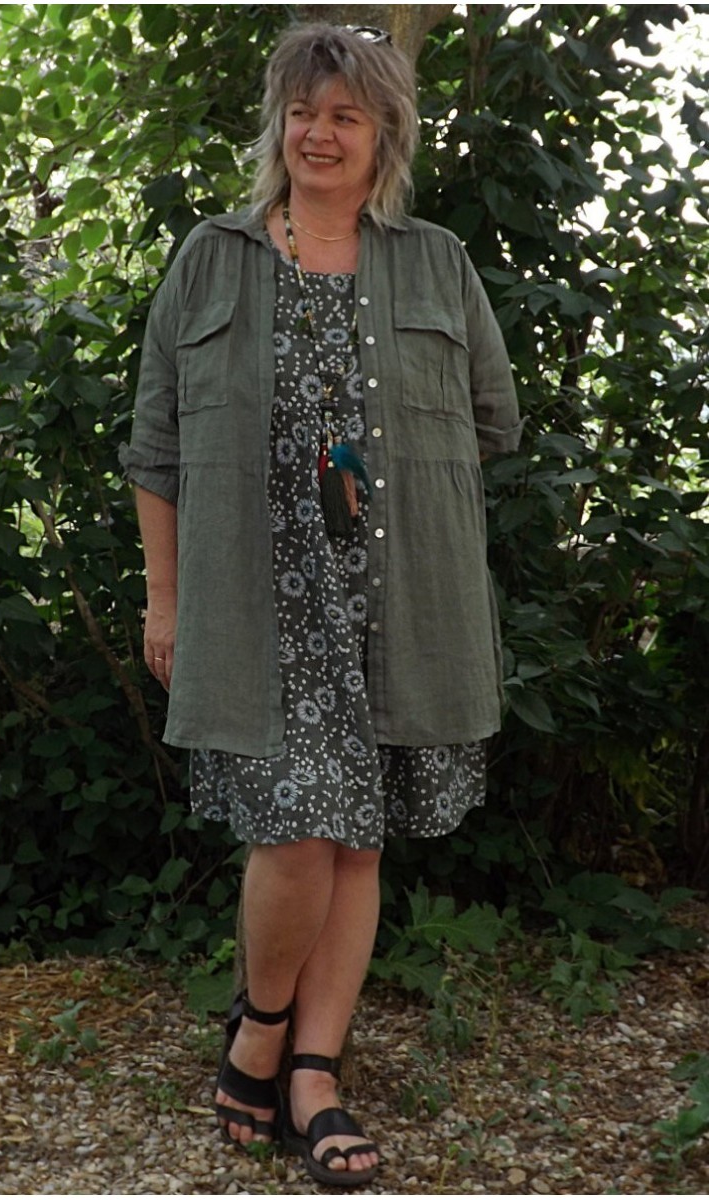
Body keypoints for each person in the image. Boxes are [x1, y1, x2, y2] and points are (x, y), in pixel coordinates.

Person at [121, 22, 521, 1189]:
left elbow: (487, 423)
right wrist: (164, 599)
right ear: (277, 125)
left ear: (383, 132)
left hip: (394, 603)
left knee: (356, 841)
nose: (319, 133)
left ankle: (312, 1070)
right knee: (295, 833)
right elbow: (155, 447)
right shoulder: (211, 259)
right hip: (258, 601)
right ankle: (259, 1026)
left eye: (344, 115)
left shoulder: (436, 263)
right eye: (302, 112)